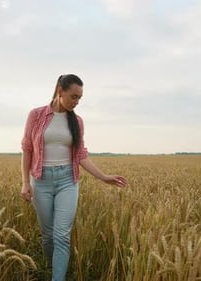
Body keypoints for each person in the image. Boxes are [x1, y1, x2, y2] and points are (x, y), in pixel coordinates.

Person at [20, 74, 127, 281]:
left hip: (67, 181)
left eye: (79, 98)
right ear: (60, 90)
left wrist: (103, 177)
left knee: (61, 236)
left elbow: (80, 155)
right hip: (40, 181)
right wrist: (25, 182)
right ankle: (53, 268)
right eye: (73, 96)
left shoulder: (77, 122)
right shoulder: (36, 115)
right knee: (48, 236)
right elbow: (26, 149)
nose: (76, 102)